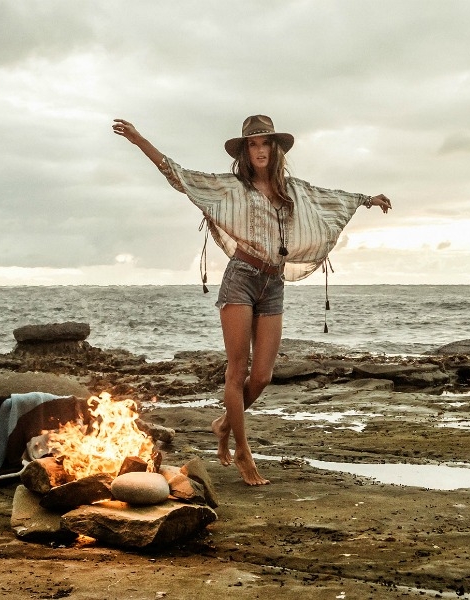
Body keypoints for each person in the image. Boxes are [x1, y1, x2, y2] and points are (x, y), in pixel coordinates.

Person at [113, 115, 391, 485]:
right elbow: (178, 175)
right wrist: (138, 139)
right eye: (253, 144)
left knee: (261, 377)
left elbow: (331, 199)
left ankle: (224, 423)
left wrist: (367, 200)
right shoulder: (232, 188)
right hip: (241, 279)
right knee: (237, 371)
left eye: (265, 144)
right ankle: (243, 453)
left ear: (275, 150)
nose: (259, 150)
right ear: (245, 151)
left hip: (273, 283)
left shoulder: (293, 191)